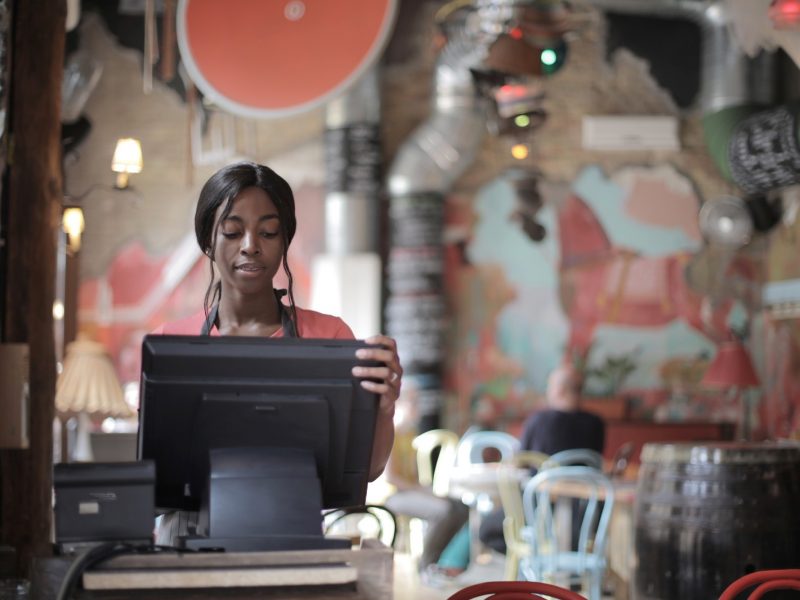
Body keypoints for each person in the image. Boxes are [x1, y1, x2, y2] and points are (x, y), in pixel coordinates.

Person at [152, 161, 402, 544]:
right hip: (185, 536)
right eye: (233, 232)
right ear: (207, 241)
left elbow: (366, 470)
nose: (250, 245)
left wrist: (384, 408)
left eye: (268, 231)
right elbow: (156, 471)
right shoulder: (170, 341)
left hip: (292, 528)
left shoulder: (331, 336)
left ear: (284, 239)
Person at [478, 359, 605, 554]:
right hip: (581, 517)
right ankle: (543, 559)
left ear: (559, 390)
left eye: (550, 386)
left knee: (486, 530)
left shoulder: (538, 421)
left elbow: (520, 463)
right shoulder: (596, 424)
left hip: (537, 510)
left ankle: (533, 562)